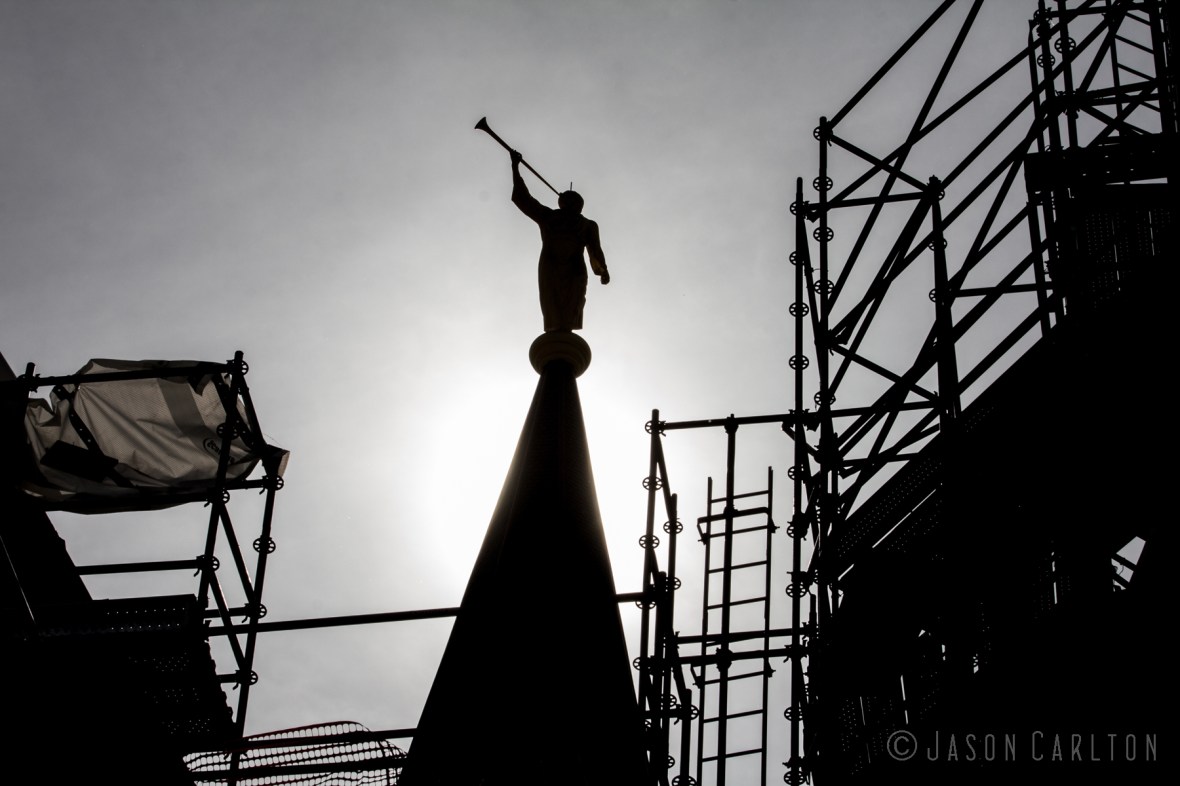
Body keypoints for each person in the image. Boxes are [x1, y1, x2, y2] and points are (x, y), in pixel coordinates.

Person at [510, 149, 608, 332]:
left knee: (574, 303)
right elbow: (524, 200)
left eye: (574, 200)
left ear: (579, 205)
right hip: (551, 264)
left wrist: (602, 269)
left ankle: (565, 337)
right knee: (552, 304)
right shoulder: (549, 217)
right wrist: (515, 168)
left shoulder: (588, 225)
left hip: (574, 267)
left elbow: (595, 249)